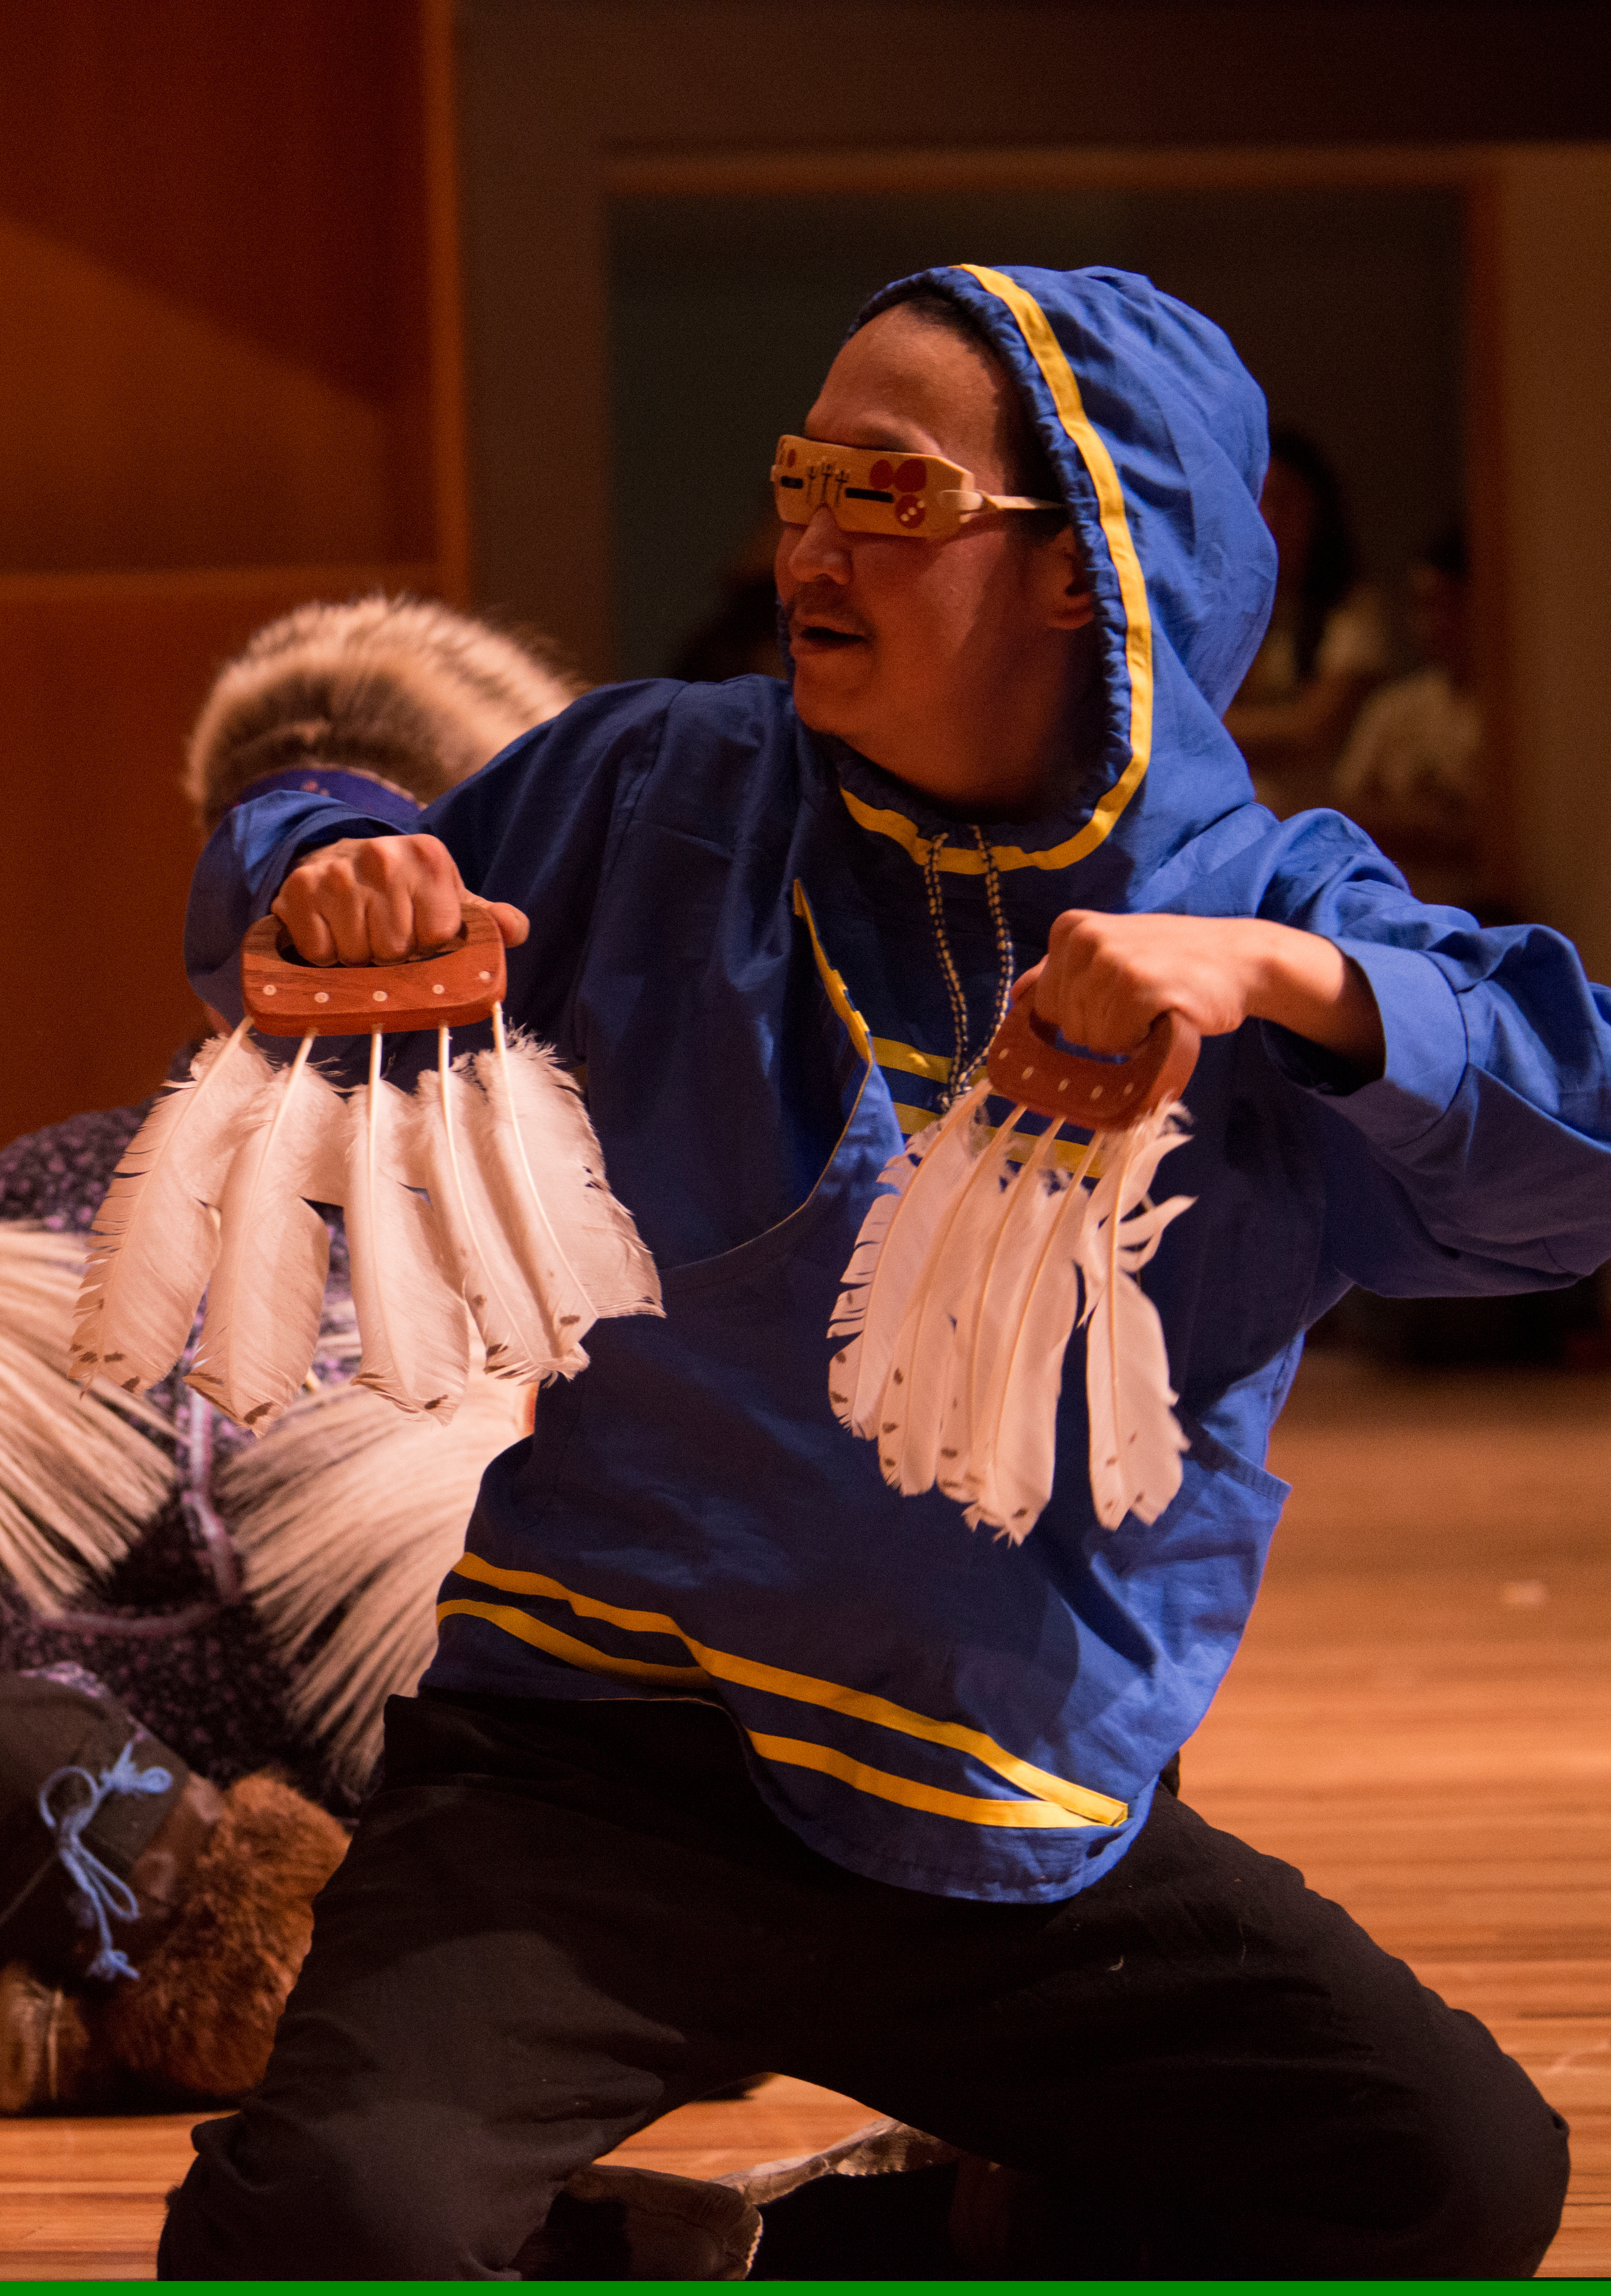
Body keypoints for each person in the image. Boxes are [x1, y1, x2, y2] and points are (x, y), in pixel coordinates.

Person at [158, 264, 1606, 2277]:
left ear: (1081, 566)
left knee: (1450, 2175)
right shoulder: (659, 782)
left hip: (1008, 1801)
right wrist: (319, 853)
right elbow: (314, 870)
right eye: (798, 480)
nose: (808, 543)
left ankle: (882, 2232)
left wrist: (1298, 982)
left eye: (889, 496)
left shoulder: (1268, 899)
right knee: (329, 2230)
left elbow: (1575, 1149)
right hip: (596, 1768)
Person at [0, 598, 568, 2109]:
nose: (324, 924)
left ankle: (148, 2025)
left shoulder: (554, 1203)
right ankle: (301, 1990)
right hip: (90, 1818)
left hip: (430, 1785)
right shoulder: (50, 1193)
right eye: (284, 880)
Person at [1223, 426, 1387, 814]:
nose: (1271, 518)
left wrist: (1205, 728)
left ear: (1318, 511)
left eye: (1287, 502)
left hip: (1322, 821)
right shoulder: (1233, 606)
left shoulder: (1350, 611)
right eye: (1261, 501)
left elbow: (1313, 731)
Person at [1330, 522, 1482, 912]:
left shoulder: (1513, 718)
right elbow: (1345, 814)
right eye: (1424, 604)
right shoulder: (1394, 707)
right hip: (1400, 903)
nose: (1436, 621)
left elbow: (1485, 830)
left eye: (1451, 603)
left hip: (1479, 900)